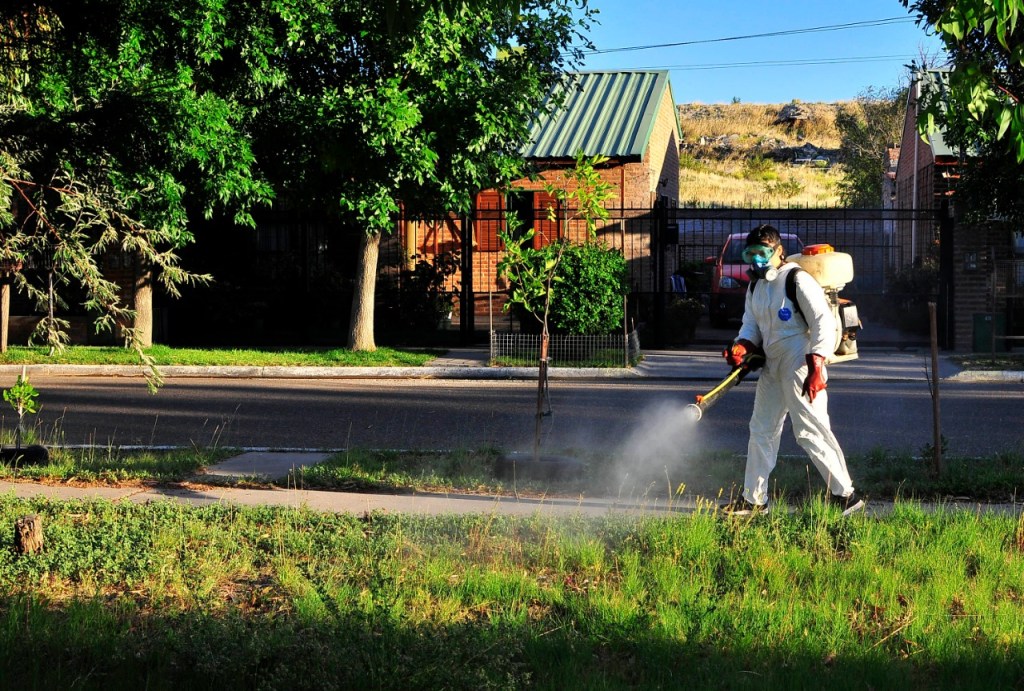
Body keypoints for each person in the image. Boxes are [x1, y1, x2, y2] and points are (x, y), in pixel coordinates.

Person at [720, 224, 864, 517]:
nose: (757, 260)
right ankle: (754, 500)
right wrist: (742, 346)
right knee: (761, 429)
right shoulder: (756, 286)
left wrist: (816, 366)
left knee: (810, 430)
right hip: (773, 363)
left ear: (778, 252)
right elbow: (751, 323)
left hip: (802, 359)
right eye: (751, 254)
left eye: (762, 253)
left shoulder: (796, 279)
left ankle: (846, 496)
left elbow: (822, 321)